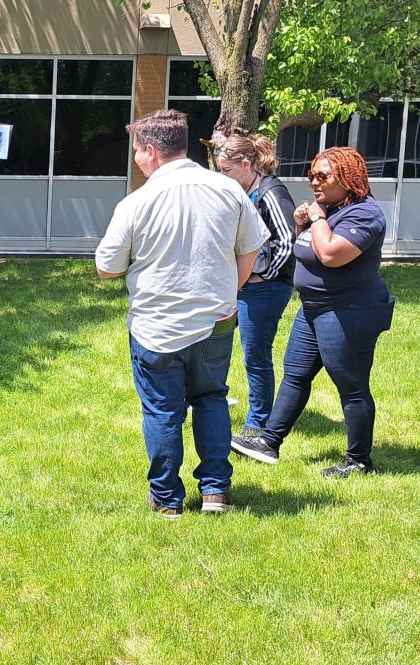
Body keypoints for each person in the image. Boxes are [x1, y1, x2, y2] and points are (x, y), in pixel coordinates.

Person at [96, 109, 267, 520]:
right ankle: (215, 491)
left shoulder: (137, 202)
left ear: (152, 151)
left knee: (162, 411)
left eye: (137, 151)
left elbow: (106, 267)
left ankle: (167, 499)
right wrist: (230, 290)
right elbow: (251, 248)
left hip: (156, 327)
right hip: (216, 321)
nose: (136, 158)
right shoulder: (229, 191)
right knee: (211, 399)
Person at [231, 147, 395, 479]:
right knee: (295, 375)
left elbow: (331, 254)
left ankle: (359, 460)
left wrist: (317, 219)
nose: (314, 183)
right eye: (311, 176)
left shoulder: (365, 214)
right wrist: (300, 225)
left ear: (347, 179)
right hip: (314, 308)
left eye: (323, 176)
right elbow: (305, 250)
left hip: (349, 311)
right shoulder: (329, 210)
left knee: (351, 386)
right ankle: (269, 441)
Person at [214, 133, 297, 441]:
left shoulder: (272, 193)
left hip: (265, 289)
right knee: (213, 342)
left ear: (246, 164)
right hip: (238, 285)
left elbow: (287, 242)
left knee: (255, 355)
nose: (222, 176)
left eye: (226, 170)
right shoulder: (240, 191)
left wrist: (264, 276)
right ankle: (210, 400)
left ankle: (258, 422)